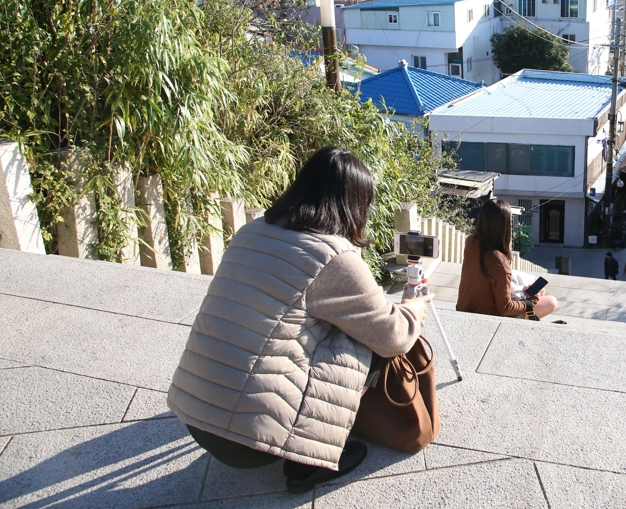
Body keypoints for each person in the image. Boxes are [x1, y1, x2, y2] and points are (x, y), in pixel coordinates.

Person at [168, 148, 431, 495]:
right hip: (250, 443)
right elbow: (393, 336)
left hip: (196, 416)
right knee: (361, 339)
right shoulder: (333, 256)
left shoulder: (250, 231)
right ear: (354, 204)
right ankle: (308, 462)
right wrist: (414, 306)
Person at [457, 199, 557, 319]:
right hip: (488, 315)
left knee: (539, 291)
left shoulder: (471, 241)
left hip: (464, 308)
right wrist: (532, 301)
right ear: (505, 226)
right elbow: (505, 308)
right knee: (551, 301)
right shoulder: (499, 262)